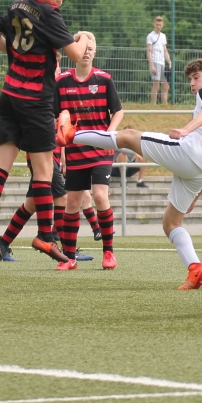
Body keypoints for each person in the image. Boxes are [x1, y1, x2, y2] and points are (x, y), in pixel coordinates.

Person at [72, 58, 202, 290]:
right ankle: (195, 267)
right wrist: (199, 187)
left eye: (196, 77)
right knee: (171, 222)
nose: (192, 83)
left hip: (192, 154)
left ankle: (70, 136)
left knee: (129, 136)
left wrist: (185, 130)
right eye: (190, 79)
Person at [0, 0, 89, 262]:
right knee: (44, 171)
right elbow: (75, 54)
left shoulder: (16, 6)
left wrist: (18, 54)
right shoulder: (51, 14)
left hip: (9, 96)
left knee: (2, 164)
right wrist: (83, 38)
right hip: (36, 101)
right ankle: (44, 236)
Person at [54, 32, 123, 270]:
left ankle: (109, 252)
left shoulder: (104, 79)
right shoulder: (62, 82)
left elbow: (118, 111)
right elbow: (57, 118)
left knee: (100, 196)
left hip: (101, 151)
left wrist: (109, 135)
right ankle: (69, 258)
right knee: (72, 202)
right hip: (75, 152)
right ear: (72, 51)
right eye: (82, 48)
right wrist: (62, 151)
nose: (86, 52)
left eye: (90, 48)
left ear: (95, 52)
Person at [147, 16, 172, 105]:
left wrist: (169, 61)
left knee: (165, 85)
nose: (158, 26)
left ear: (162, 25)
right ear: (154, 24)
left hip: (162, 63)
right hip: (155, 61)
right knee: (156, 84)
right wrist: (152, 65)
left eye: (160, 25)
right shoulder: (150, 36)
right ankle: (153, 104)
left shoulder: (163, 36)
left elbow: (165, 50)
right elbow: (149, 51)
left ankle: (164, 104)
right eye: (157, 24)